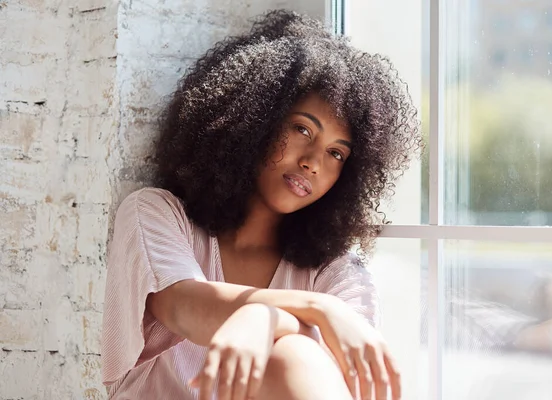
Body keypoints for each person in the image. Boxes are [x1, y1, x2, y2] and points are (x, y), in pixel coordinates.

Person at [101, 9, 420, 400]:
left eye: (337, 153)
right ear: (253, 119)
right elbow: (182, 307)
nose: (313, 162)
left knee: (294, 354)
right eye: (302, 129)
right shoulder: (156, 214)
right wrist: (318, 309)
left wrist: (262, 317)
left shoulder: (336, 273)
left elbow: (334, 373)